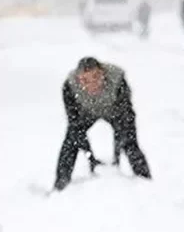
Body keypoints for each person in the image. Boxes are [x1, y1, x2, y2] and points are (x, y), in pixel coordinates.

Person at [54, 57, 152, 191]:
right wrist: (91, 158)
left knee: (129, 142)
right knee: (70, 142)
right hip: (86, 113)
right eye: (85, 80)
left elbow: (126, 117)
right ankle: (60, 185)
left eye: (95, 77)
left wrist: (116, 155)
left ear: (103, 73)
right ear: (78, 79)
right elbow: (75, 125)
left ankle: (145, 181)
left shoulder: (117, 80)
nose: (92, 84)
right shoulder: (69, 87)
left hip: (115, 110)